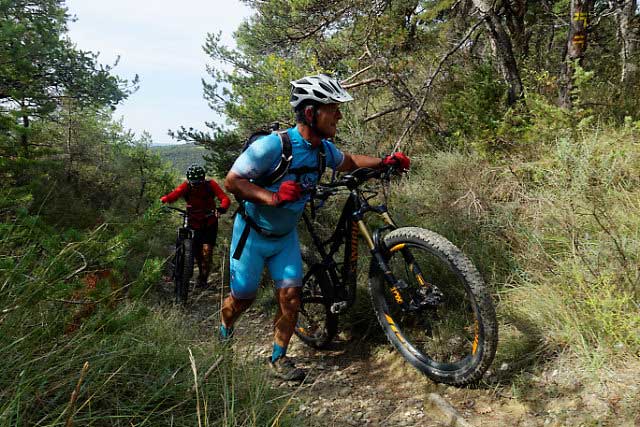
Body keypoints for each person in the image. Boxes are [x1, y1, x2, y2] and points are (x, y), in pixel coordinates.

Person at [221, 73, 410, 381]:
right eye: (331, 107)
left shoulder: (322, 150)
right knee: (242, 298)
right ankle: (224, 333)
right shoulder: (274, 146)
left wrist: (384, 162)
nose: (338, 114)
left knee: (292, 298)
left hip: (284, 239)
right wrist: (272, 196)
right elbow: (233, 182)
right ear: (310, 112)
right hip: (252, 235)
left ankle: (278, 358)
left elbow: (348, 161)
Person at [161, 164, 231, 288]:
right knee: (196, 253)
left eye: (198, 183)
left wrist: (221, 209)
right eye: (193, 183)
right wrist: (162, 201)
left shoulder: (211, 185)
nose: (196, 185)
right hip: (193, 222)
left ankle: (203, 280)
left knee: (207, 252)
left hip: (209, 222)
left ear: (203, 179)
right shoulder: (186, 186)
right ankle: (185, 272)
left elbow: (224, 198)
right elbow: (173, 196)